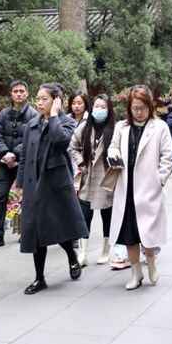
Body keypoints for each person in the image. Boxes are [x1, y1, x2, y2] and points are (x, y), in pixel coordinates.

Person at [16, 83, 89, 294]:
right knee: (36, 231)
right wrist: (20, 182)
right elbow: (24, 157)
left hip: (55, 185)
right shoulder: (31, 125)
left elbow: (61, 140)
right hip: (33, 184)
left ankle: (72, 257)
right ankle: (39, 278)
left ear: (55, 101)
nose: (39, 102)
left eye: (44, 99)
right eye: (37, 98)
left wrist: (55, 116)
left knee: (59, 227)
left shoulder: (66, 122)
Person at [108, 85, 172, 290]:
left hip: (148, 187)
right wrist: (113, 154)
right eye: (135, 107)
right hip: (125, 188)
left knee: (148, 230)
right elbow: (113, 146)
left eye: (143, 107)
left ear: (150, 106)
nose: (139, 112)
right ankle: (136, 274)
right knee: (129, 234)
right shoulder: (121, 127)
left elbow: (167, 157)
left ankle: (151, 260)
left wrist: (159, 180)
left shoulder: (159, 127)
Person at [0, 79, 38, 248]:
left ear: (27, 93)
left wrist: (14, 155)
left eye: (22, 91)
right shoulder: (3, 114)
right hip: (5, 162)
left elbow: (31, 139)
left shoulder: (33, 115)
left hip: (24, 163)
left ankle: (27, 232)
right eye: (16, 91)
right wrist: (5, 154)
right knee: (0, 197)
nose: (19, 94)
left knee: (27, 198)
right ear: (11, 94)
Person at [69, 93, 116, 266]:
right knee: (84, 216)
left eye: (103, 107)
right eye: (97, 106)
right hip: (88, 178)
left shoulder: (115, 129)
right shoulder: (84, 127)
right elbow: (72, 146)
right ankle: (83, 253)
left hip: (107, 179)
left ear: (109, 109)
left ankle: (105, 251)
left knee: (107, 215)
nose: (99, 110)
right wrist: (81, 162)